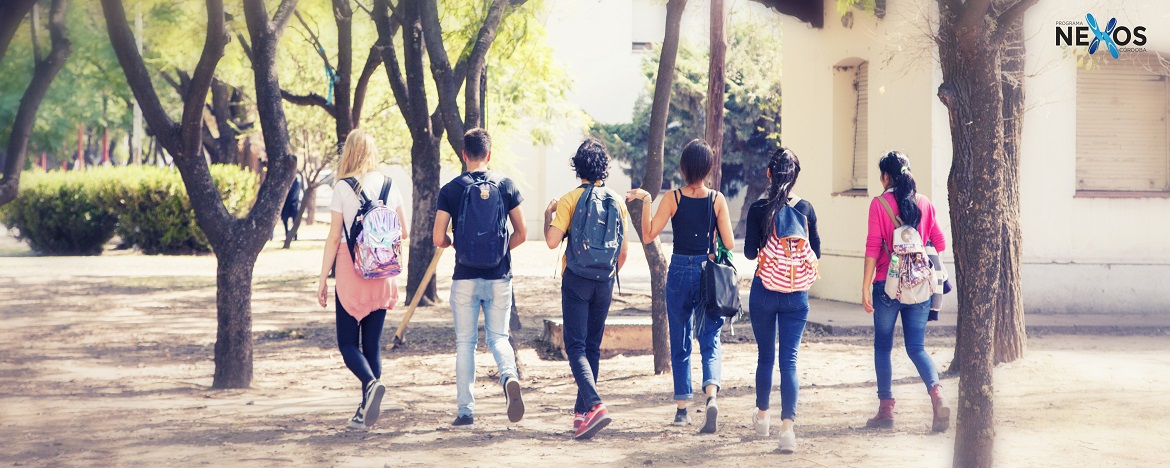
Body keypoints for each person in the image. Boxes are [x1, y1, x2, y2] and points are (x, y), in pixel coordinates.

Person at [626, 139, 734, 433]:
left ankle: (683, 410)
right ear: (708, 168)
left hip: (678, 271)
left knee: (681, 338)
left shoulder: (672, 198)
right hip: (706, 272)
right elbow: (730, 242)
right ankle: (711, 396)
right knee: (710, 338)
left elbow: (648, 235)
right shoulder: (717, 199)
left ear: (684, 168)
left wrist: (647, 200)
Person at [433, 128, 527, 429]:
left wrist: (455, 245)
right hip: (499, 276)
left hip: (465, 278)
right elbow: (522, 234)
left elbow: (438, 237)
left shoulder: (451, 189)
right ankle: (509, 377)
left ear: (464, 155)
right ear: (489, 155)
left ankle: (465, 411)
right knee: (498, 337)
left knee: (465, 343)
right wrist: (500, 251)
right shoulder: (506, 185)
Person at [316, 129, 407, 431]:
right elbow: (403, 231)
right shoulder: (390, 185)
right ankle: (364, 410)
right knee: (372, 345)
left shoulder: (342, 187)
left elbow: (333, 238)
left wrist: (322, 279)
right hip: (383, 270)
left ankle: (370, 385)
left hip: (351, 268)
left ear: (349, 152)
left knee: (346, 343)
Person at [544, 139, 630, 440]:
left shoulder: (569, 200)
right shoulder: (617, 202)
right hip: (605, 280)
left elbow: (553, 242)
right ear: (603, 167)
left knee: (576, 346)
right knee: (592, 346)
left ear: (577, 167)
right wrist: (605, 274)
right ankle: (582, 416)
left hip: (577, 280)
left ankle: (594, 404)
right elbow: (623, 254)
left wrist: (548, 216)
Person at [861, 150, 950, 432]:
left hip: (887, 286)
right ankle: (937, 397)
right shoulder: (925, 203)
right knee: (916, 348)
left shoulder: (879, 205)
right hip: (920, 286)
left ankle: (886, 410)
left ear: (886, 177)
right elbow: (940, 243)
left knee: (883, 347)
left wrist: (865, 285)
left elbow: (872, 247)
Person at [743, 147, 820, 453]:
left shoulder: (758, 209)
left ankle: (762, 418)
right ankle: (787, 429)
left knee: (765, 357)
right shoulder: (807, 209)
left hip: (764, 292)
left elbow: (750, 253)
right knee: (789, 361)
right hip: (797, 295)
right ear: (796, 177)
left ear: (769, 174)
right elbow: (816, 252)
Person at [281, 173, 304, 240]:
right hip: (286, 203)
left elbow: (295, 192)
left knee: (295, 219)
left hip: (293, 202)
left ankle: (294, 234)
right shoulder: (286, 179)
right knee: (285, 219)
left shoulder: (297, 179)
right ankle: (287, 233)